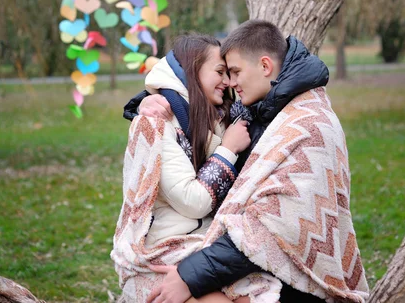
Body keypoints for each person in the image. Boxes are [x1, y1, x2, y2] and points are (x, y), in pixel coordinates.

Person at [129, 20, 369, 303]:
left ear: (265, 67)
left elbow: (273, 228)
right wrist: (147, 101)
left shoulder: (309, 124)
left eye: (233, 72)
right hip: (247, 262)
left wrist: (189, 276)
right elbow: (192, 102)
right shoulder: (264, 106)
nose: (230, 82)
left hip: (298, 283)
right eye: (223, 72)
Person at [111, 33, 253, 302]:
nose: (228, 82)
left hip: (208, 247)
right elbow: (194, 202)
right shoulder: (156, 123)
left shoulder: (218, 117)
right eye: (220, 72)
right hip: (165, 251)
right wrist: (228, 150)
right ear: (192, 70)